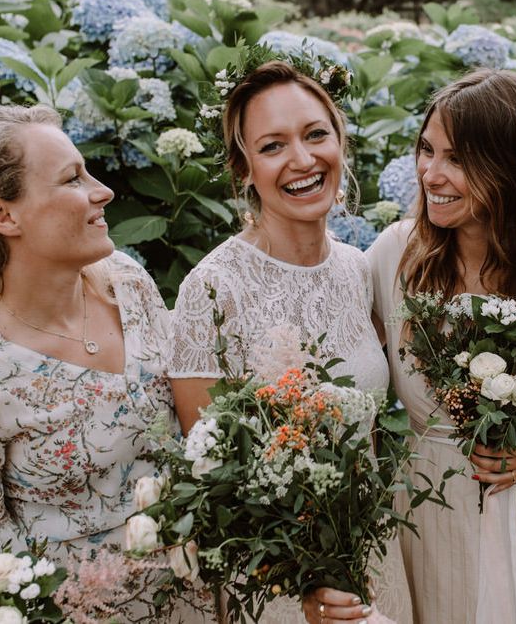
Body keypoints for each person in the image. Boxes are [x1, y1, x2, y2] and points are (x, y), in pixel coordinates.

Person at [366, 68, 516, 623]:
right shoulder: (394, 256)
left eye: (456, 159)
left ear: (509, 166)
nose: (431, 173)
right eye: (426, 151)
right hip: (432, 494)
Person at [168, 60, 412, 624]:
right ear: (244, 167)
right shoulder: (212, 288)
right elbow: (214, 476)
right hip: (281, 583)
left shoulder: (356, 269)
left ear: (340, 142)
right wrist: (303, 580)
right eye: (273, 145)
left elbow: (370, 435)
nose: (303, 160)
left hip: (373, 552)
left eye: (316, 135)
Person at [0, 105, 204, 622]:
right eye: (72, 179)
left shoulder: (127, 281)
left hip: (198, 599)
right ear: (3, 215)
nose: (102, 190)